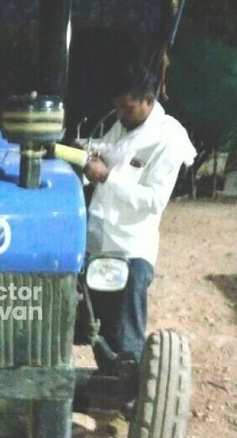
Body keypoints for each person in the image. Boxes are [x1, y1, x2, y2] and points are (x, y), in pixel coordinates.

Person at [83, 64, 196, 376]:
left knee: (126, 323)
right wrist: (87, 152)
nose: (119, 114)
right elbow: (110, 149)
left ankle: (130, 389)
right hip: (100, 238)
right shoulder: (124, 125)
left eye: (127, 107)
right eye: (116, 107)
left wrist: (106, 178)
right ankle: (107, 379)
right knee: (99, 319)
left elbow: (154, 200)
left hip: (132, 247)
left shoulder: (169, 138)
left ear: (149, 100)